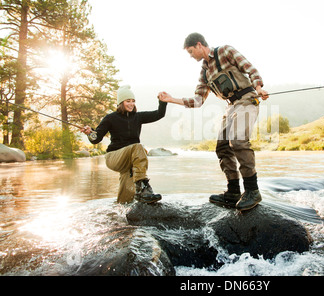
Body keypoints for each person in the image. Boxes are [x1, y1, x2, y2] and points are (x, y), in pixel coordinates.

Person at [159, 33, 269, 211]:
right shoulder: (204, 72)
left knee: (238, 140)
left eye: (190, 51)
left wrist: (259, 88)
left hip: (248, 99)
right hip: (231, 106)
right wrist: (171, 100)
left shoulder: (225, 51)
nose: (190, 55)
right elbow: (198, 101)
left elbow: (251, 69)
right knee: (223, 147)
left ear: (199, 44)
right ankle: (233, 191)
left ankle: (252, 191)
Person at [80, 85, 167, 204]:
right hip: (114, 157)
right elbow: (96, 139)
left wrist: (162, 102)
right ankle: (143, 187)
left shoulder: (138, 117)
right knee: (138, 147)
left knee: (125, 198)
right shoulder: (110, 118)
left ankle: (123, 209)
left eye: (133, 101)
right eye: (128, 101)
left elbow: (159, 114)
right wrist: (89, 133)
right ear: (121, 102)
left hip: (129, 161)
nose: (131, 104)